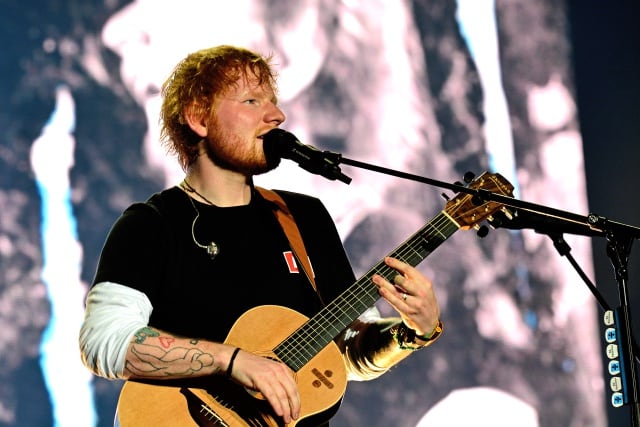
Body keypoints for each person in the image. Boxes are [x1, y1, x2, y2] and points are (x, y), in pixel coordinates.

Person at [79, 45, 442, 426]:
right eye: (252, 101)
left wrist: (411, 332)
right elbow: (104, 341)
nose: (277, 116)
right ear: (199, 119)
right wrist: (234, 362)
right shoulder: (149, 225)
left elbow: (347, 353)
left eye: (274, 102)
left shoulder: (305, 217)